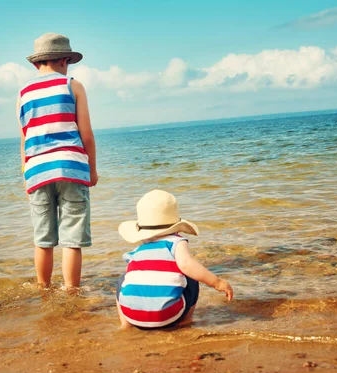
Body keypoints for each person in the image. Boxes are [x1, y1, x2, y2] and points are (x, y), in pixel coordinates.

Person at [17, 33, 98, 291]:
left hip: (37, 170)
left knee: (43, 239)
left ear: (36, 64)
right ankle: (71, 292)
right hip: (71, 166)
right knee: (72, 238)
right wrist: (92, 170)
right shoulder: (72, 86)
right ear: (65, 60)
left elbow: (24, 139)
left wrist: (25, 175)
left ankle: (43, 290)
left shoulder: (23, 92)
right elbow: (86, 134)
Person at [116, 189, 233, 329]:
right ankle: (186, 320)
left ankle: (125, 323)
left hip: (133, 316)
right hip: (168, 316)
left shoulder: (138, 250)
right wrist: (217, 282)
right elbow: (186, 264)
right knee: (192, 277)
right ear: (176, 226)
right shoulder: (176, 241)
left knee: (124, 278)